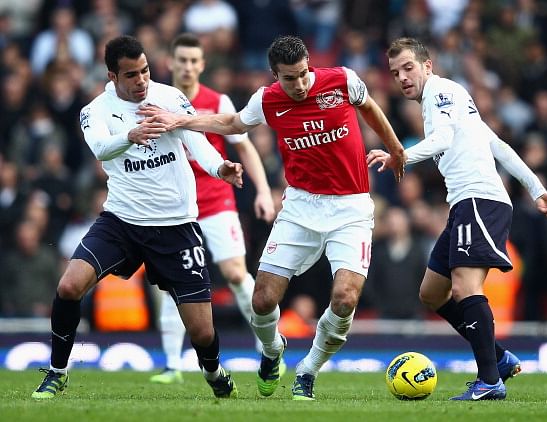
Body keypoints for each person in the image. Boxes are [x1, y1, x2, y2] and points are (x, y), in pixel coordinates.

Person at [139, 35, 406, 400]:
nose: (296, 85)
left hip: (351, 207)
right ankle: (271, 351)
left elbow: (370, 106)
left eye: (301, 75)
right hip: (299, 208)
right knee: (262, 299)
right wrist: (180, 121)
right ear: (274, 75)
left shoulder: (342, 80)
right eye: (288, 78)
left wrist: (395, 149)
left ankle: (308, 370)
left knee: (344, 298)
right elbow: (233, 124)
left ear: (309, 64)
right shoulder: (267, 100)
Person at [31, 35, 244, 400]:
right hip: (122, 221)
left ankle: (213, 370)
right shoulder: (94, 111)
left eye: (145, 70)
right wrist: (131, 134)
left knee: (203, 334)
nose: (142, 80)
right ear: (112, 76)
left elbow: (198, 143)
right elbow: (100, 147)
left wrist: (219, 168)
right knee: (68, 286)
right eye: (131, 75)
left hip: (176, 225)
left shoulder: (170, 98)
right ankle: (57, 372)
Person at [367, 37, 547, 401]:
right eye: (396, 73)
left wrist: (400, 155)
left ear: (428, 66)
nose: (403, 77)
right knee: (431, 293)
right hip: (465, 204)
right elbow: (497, 145)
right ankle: (499, 359)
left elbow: (442, 139)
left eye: (409, 68)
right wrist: (537, 191)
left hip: (478, 200)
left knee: (465, 288)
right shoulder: (455, 98)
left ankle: (489, 380)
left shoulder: (439, 92)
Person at [149, 32, 277, 385]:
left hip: (216, 198)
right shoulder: (156, 99)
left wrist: (263, 191)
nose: (188, 66)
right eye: (182, 60)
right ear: (170, 63)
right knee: (173, 284)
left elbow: (245, 147)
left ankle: (267, 348)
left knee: (237, 273)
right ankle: (172, 365)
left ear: (202, 65)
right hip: (176, 205)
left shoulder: (216, 99)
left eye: (194, 61)